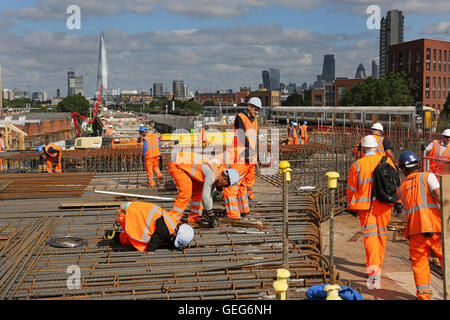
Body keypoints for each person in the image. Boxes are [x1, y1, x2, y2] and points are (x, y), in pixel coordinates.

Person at [346, 135, 399, 283]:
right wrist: (398, 202)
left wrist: (350, 205)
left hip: (366, 208)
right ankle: (377, 265)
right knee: (381, 235)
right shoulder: (387, 161)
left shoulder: (357, 165)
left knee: (370, 239)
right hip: (384, 205)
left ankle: (374, 271)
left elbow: (351, 188)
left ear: (363, 148)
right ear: (377, 148)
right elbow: (395, 183)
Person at [397, 151, 442, 300]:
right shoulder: (427, 176)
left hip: (415, 230)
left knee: (420, 264)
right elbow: (438, 194)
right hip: (434, 226)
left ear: (403, 169)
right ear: (417, 164)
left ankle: (424, 296)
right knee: (446, 259)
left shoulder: (401, 188)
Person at [168, 151, 239, 227]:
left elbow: (209, 196)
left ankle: (194, 218)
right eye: (226, 185)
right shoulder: (212, 174)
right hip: (178, 164)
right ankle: (172, 220)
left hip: (184, 163)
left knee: (199, 192)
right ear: (224, 179)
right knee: (186, 194)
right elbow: (205, 196)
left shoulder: (219, 173)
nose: (224, 187)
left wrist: (210, 213)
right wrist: (211, 214)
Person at [107, 201, 194, 252]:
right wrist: (150, 251)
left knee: (133, 236)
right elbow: (155, 240)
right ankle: (114, 236)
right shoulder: (164, 230)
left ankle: (113, 235)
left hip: (131, 208)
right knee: (139, 243)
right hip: (128, 215)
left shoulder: (174, 221)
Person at [233, 97, 261, 204]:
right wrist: (248, 150)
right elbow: (241, 135)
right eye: (255, 109)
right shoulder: (240, 118)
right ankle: (235, 198)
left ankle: (248, 197)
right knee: (239, 178)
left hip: (251, 154)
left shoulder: (255, 120)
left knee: (250, 178)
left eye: (258, 110)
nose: (257, 112)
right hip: (241, 153)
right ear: (249, 107)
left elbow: (255, 137)